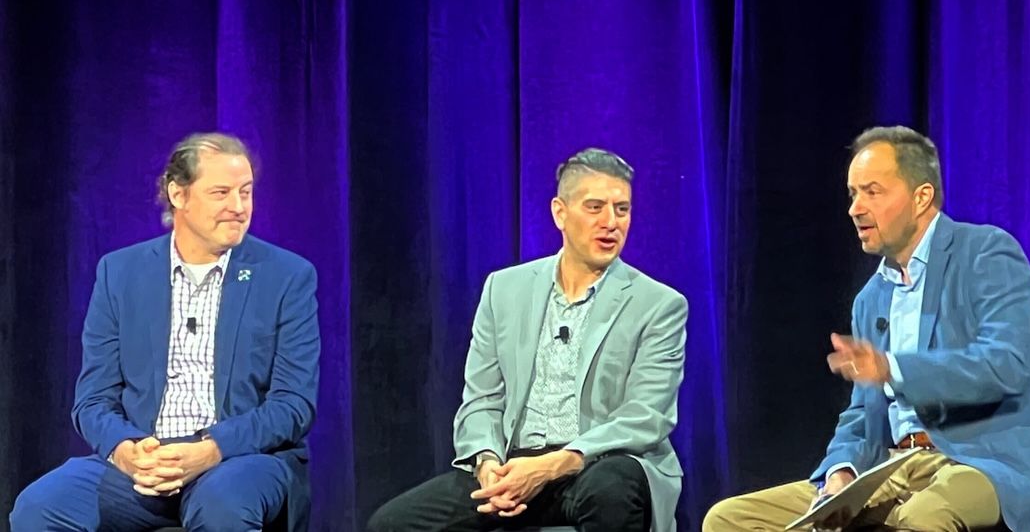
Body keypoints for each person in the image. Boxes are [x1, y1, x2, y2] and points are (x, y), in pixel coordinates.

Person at [703, 126, 1030, 531]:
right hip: (893, 467)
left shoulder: (985, 254)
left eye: (872, 192)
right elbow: (863, 414)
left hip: (983, 464)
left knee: (922, 517)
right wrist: (840, 472)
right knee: (729, 520)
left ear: (921, 197)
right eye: (852, 194)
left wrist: (892, 368)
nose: (855, 208)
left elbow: (1005, 364)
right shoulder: (871, 298)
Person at [10, 132, 320, 531]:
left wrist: (211, 450)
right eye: (221, 193)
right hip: (144, 460)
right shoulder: (120, 273)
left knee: (222, 507)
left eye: (245, 192)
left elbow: (293, 405)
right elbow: (93, 399)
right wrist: (126, 451)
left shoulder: (286, 276)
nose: (238, 207)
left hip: (238, 459)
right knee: (38, 508)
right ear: (178, 194)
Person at [368, 148, 688, 532]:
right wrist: (488, 465)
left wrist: (551, 466)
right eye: (595, 207)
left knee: (610, 491)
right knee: (391, 524)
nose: (610, 222)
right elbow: (481, 400)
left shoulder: (658, 304)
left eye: (622, 210)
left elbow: (646, 417)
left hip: (595, 465)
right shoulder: (503, 289)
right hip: (514, 465)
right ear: (559, 213)